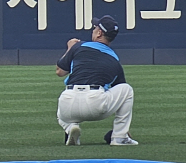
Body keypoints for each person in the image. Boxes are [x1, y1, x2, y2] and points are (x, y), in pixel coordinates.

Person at [55, 15, 138, 146]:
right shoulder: (114, 60)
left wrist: (70, 48)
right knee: (126, 90)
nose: (93, 30)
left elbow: (60, 71)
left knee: (62, 109)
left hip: (68, 103)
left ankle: (70, 128)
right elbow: (120, 92)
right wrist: (124, 127)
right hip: (95, 104)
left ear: (99, 33)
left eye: (95, 28)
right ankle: (120, 137)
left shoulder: (78, 47)